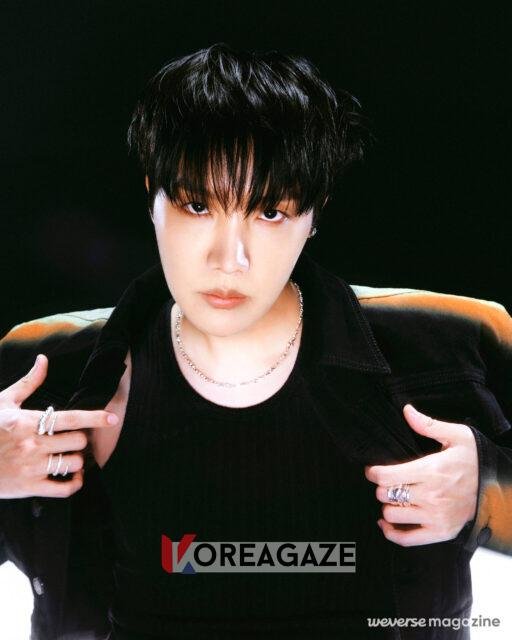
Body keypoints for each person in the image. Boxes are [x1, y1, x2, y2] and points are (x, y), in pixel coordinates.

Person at [1, 43, 511, 640]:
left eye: (269, 213)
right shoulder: (48, 368)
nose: (230, 259)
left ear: (314, 213)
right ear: (152, 196)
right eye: (197, 205)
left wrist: (487, 491)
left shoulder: (453, 345)